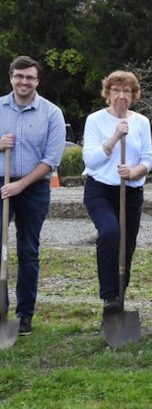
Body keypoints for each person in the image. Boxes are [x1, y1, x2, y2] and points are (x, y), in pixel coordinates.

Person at [0, 56, 66, 335]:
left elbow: (51, 160)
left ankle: (24, 315)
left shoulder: (52, 113)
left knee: (28, 250)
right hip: (1, 183)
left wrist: (21, 184)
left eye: (30, 77)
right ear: (11, 78)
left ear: (37, 81)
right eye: (19, 76)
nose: (24, 81)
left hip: (34, 187)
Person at [82, 71, 152, 313]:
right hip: (100, 190)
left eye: (127, 91)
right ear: (108, 93)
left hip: (131, 192)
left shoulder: (141, 122)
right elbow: (90, 161)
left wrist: (133, 172)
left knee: (126, 244)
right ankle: (109, 296)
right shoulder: (95, 120)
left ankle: (120, 296)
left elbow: (148, 160)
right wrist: (114, 136)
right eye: (116, 90)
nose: (122, 95)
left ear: (133, 95)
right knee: (110, 232)